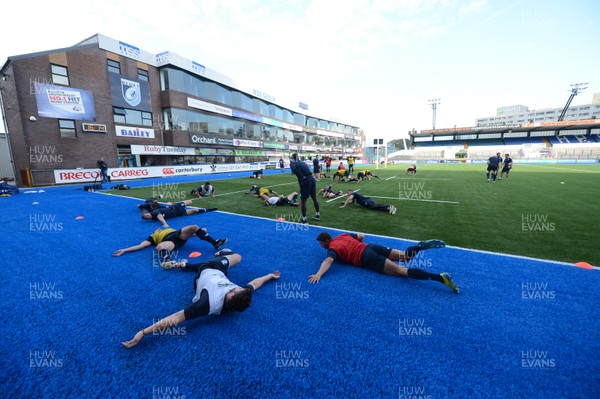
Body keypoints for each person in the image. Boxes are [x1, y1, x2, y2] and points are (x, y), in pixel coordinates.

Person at [121, 249, 280, 349]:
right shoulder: (238, 296)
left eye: (235, 288)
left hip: (208, 269)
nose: (237, 287)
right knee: (238, 257)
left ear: (231, 295)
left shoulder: (207, 304)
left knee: (230, 256)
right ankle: (213, 256)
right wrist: (269, 276)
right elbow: (254, 284)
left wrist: (143, 332)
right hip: (220, 271)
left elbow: (176, 318)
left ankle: (186, 265)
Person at [309, 232, 459, 294]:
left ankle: (441, 278)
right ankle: (419, 247)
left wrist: (318, 274)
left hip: (366, 257)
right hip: (371, 247)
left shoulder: (332, 247)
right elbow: (361, 236)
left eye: (321, 244)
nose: (321, 246)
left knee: (402, 271)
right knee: (406, 257)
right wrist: (356, 246)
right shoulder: (343, 235)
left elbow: (328, 260)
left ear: (326, 241)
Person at [112, 226, 228, 264]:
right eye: (156, 229)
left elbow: (190, 233)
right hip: (170, 241)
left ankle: (215, 243)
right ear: (154, 231)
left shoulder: (167, 228)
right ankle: (168, 262)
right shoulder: (152, 238)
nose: (157, 228)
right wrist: (124, 250)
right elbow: (141, 245)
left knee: (194, 227)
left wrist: (197, 232)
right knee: (160, 247)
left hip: (177, 234)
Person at [290, 153, 321, 223]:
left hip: (305, 181)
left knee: (303, 202)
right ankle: (317, 214)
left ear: (292, 157)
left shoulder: (293, 163)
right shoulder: (302, 162)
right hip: (312, 179)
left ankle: (304, 219)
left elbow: (294, 170)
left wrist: (301, 176)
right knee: (314, 198)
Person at [141, 200, 218, 228]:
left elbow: (160, 216)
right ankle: (209, 209)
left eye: (147, 215)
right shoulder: (153, 218)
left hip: (175, 207)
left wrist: (165, 224)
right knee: (195, 211)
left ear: (148, 213)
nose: (148, 216)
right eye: (147, 217)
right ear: (148, 218)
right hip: (178, 213)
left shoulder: (154, 212)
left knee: (190, 201)